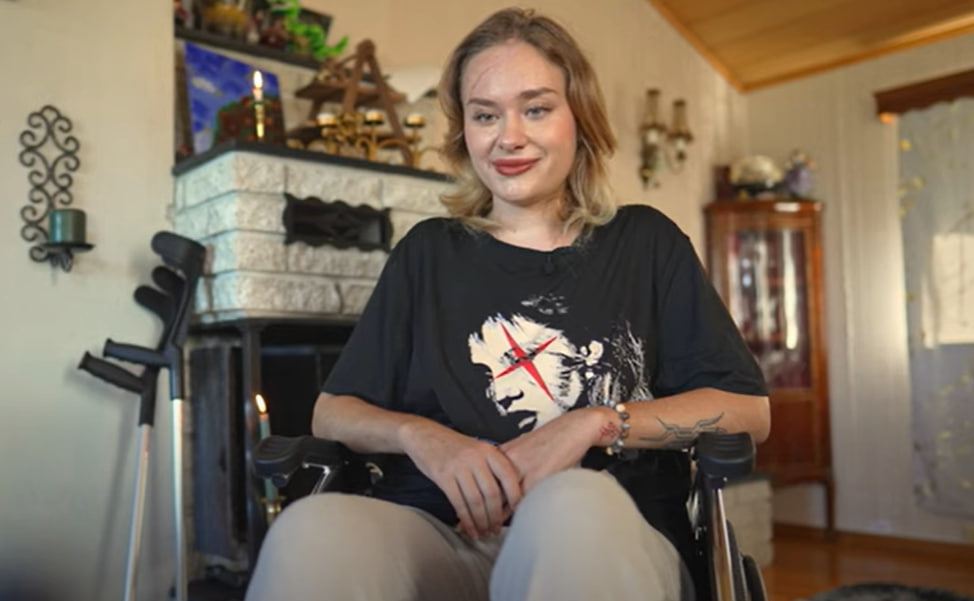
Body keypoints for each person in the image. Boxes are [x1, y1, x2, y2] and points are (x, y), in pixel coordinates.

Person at [244, 7, 769, 601]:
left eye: (536, 109)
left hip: (612, 535)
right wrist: (422, 436)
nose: (508, 136)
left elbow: (748, 410)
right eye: (485, 114)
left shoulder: (646, 243)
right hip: (444, 538)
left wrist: (594, 423)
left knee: (571, 504)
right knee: (310, 531)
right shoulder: (427, 253)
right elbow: (332, 412)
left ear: (580, 117)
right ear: (464, 132)